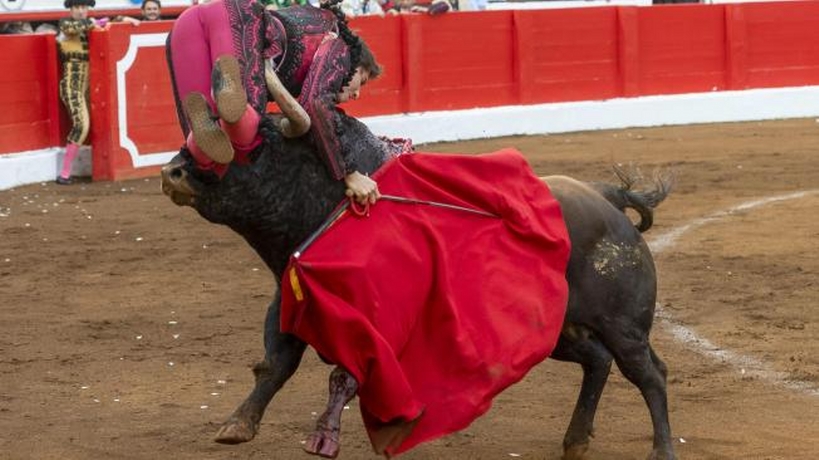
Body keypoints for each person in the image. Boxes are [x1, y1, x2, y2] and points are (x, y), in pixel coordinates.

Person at [167, 0, 382, 204]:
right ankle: (229, 93)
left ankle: (214, 109)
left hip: (186, 25)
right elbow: (316, 104)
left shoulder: (312, 16)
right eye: (361, 81)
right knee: (246, 134)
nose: (356, 95)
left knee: (209, 158)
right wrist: (350, 173)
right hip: (239, 21)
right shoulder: (341, 47)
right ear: (357, 61)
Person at [56, 0, 109, 185]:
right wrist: (95, 22)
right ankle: (64, 173)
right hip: (72, 87)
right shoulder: (65, 24)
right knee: (82, 126)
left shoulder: (88, 26)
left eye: (84, 7)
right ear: (70, 9)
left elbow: (111, 21)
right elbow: (72, 28)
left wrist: (125, 19)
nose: (81, 10)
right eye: (77, 7)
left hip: (86, 89)